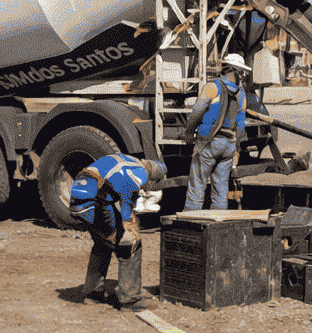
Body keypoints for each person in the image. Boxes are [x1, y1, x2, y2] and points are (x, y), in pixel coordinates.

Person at [72, 153, 167, 309]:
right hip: (95, 202)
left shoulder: (127, 160)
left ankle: (93, 294)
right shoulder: (139, 173)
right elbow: (125, 201)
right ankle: (131, 299)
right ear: (152, 177)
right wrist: (127, 227)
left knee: (103, 243)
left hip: (78, 201)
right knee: (130, 245)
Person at [183, 53, 250, 211]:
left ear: (225, 68)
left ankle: (190, 222)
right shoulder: (241, 94)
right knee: (220, 187)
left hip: (210, 142)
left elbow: (197, 112)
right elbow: (240, 125)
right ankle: (217, 224)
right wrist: (237, 148)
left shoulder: (213, 87)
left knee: (198, 183)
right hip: (229, 145)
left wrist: (188, 132)